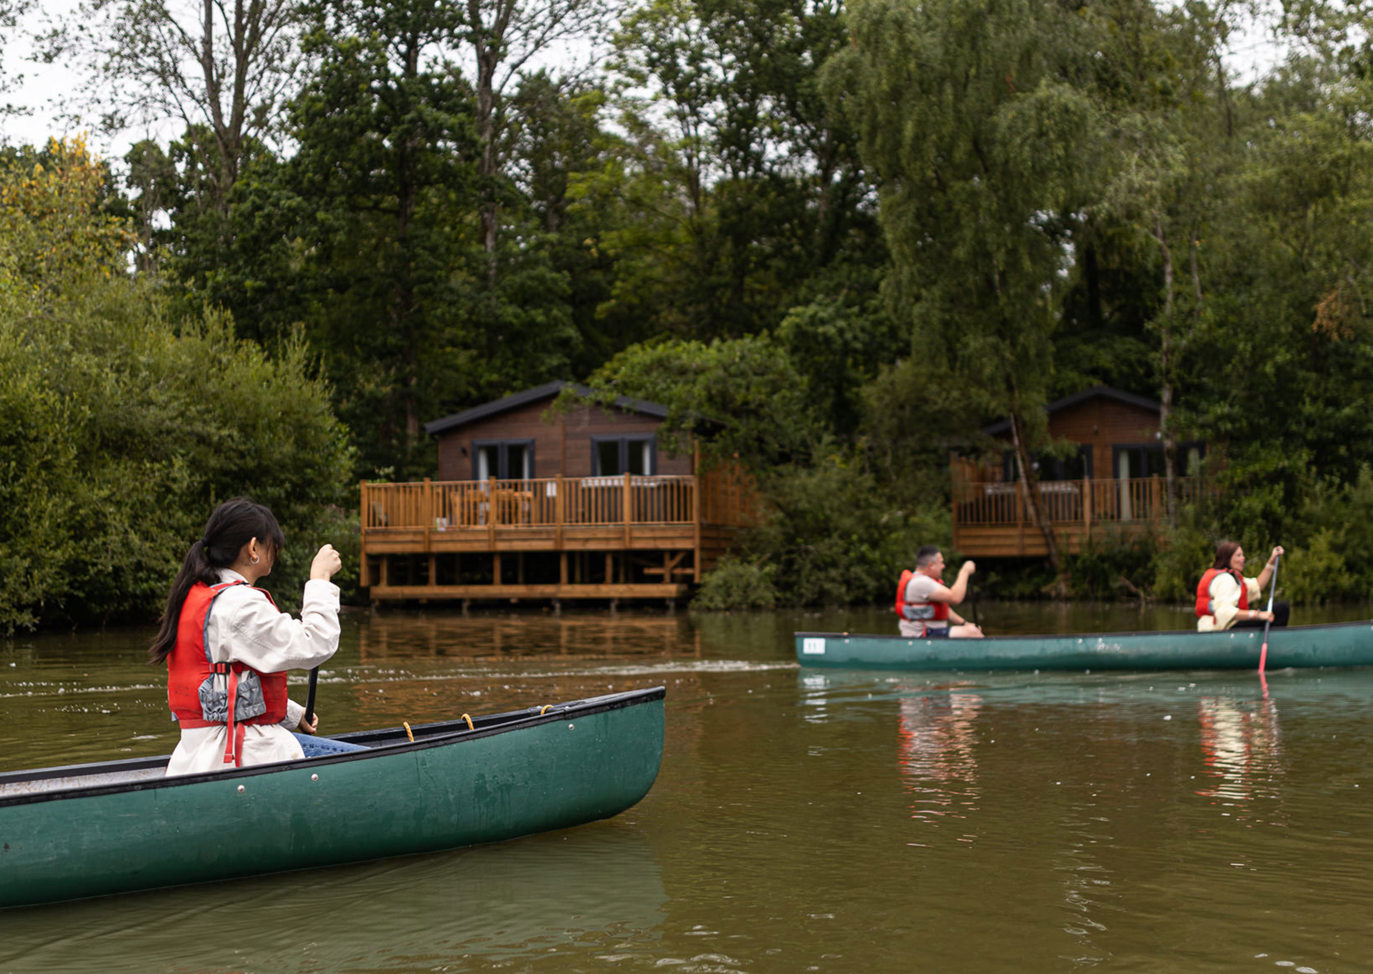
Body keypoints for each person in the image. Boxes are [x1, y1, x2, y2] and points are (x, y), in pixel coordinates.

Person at [149, 497, 343, 775]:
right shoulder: (238, 605)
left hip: (196, 755)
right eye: (273, 545)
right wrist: (320, 579)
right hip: (243, 756)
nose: (276, 552)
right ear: (253, 548)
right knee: (368, 765)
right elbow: (316, 643)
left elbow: (222, 685)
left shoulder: (200, 597)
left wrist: (289, 713)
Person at [1196, 541, 1288, 632]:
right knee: (1281, 609)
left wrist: (1271, 561)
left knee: (1278, 608)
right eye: (1238, 555)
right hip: (1221, 628)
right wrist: (1257, 615)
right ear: (1227, 558)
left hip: (1226, 626)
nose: (1243, 558)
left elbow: (1258, 585)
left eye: (1242, 555)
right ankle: (1275, 639)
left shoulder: (1233, 578)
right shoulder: (1226, 580)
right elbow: (1224, 612)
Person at [896, 545, 984, 638]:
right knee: (972, 633)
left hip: (932, 632)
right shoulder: (921, 582)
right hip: (921, 635)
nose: (943, 566)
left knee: (972, 630)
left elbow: (944, 609)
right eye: (941, 562)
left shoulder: (924, 580)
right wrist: (965, 571)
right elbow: (955, 597)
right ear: (931, 565)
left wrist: (965, 624)